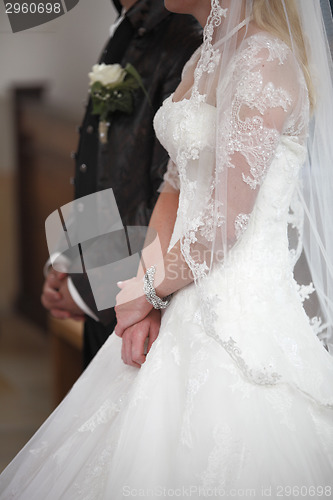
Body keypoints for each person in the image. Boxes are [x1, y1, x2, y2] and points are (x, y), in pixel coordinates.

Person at [1, 0, 333, 498]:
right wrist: (122, 282)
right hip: (165, 285)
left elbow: (222, 221)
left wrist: (139, 291)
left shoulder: (260, 58)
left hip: (231, 311)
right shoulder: (195, 53)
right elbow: (152, 181)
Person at [41, 0, 202, 367]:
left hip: (141, 296)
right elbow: (103, 160)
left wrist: (87, 287)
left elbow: (171, 190)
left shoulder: (184, 37)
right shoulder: (130, 28)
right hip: (107, 285)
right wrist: (72, 263)